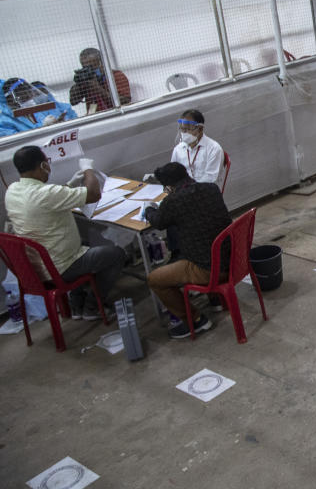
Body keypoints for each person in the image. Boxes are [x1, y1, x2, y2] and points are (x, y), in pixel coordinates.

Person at [4, 148, 125, 320]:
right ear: (43, 165)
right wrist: (87, 170)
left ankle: (76, 304)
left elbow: (48, 200)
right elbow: (93, 194)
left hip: (34, 266)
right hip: (58, 268)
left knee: (82, 242)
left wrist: (69, 185)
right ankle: (93, 307)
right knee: (116, 254)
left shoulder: (13, 190)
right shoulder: (45, 193)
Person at [143, 162, 232, 339]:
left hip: (209, 269)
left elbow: (158, 222)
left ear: (168, 187)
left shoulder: (173, 201)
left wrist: (148, 209)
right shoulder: (211, 188)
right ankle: (216, 300)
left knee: (154, 279)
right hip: (232, 258)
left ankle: (195, 320)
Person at [0, 78, 76, 137]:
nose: (30, 97)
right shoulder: (4, 122)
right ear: (11, 100)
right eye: (24, 95)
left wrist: (56, 125)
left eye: (29, 93)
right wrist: (43, 128)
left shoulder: (34, 112)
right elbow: (18, 144)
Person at [170, 109, 225, 188]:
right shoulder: (178, 149)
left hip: (205, 193)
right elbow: (173, 172)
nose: (184, 133)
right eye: (182, 129)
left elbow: (210, 180)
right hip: (183, 191)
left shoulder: (214, 149)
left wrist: (186, 189)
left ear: (200, 129)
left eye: (188, 129)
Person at [68, 47, 132, 115]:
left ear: (101, 62)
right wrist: (79, 84)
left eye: (92, 66)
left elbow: (125, 100)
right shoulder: (87, 79)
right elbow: (73, 101)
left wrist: (98, 88)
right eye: (85, 67)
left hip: (115, 114)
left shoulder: (116, 76)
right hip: (95, 116)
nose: (89, 69)